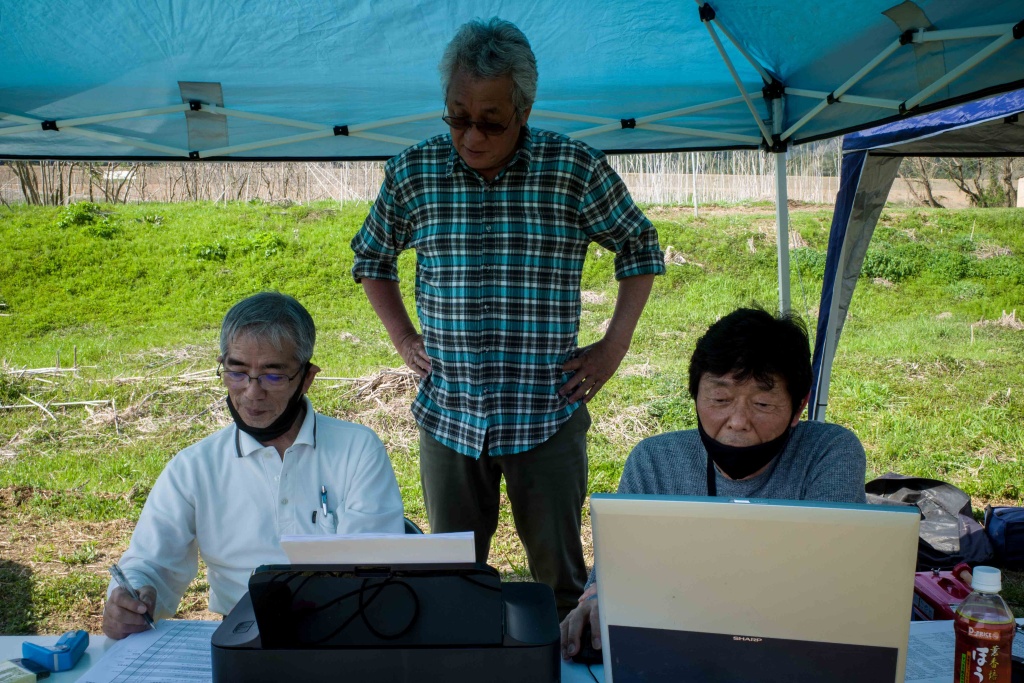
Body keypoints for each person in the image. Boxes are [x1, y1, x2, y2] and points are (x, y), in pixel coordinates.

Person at [350, 18, 665, 618]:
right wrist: (404, 337)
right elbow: (371, 258)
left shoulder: (572, 169)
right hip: (450, 414)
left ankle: (569, 656)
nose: (471, 135)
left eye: (491, 121)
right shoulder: (414, 173)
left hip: (545, 413)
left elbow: (639, 246)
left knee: (561, 587)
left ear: (524, 110)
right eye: (457, 117)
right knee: (451, 585)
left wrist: (613, 348)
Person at [560, 307, 868, 659]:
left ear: (799, 408)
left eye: (762, 403)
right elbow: (613, 577)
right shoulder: (655, 462)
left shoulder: (828, 454)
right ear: (695, 396)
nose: (737, 421)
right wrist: (597, 600)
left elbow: (830, 585)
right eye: (720, 400)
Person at [102, 292, 405, 639]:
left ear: (306, 378)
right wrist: (129, 599)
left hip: (344, 634)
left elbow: (372, 569)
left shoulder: (356, 450)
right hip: (242, 638)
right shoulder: (195, 467)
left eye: (273, 376)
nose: (251, 392)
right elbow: (149, 563)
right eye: (237, 372)